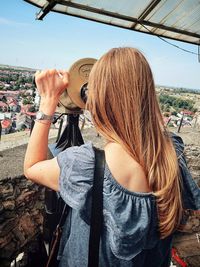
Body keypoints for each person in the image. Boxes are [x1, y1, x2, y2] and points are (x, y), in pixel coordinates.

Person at [24, 47, 200, 267]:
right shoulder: (173, 151)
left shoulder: (86, 164)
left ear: (100, 99)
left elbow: (32, 167)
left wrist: (47, 100)